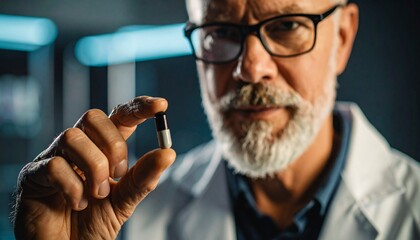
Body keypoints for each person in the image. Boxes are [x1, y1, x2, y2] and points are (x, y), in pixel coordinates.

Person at [12, 0, 419, 239]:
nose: (250, 67)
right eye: (221, 31)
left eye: (287, 26)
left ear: (343, 38)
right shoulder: (135, 222)